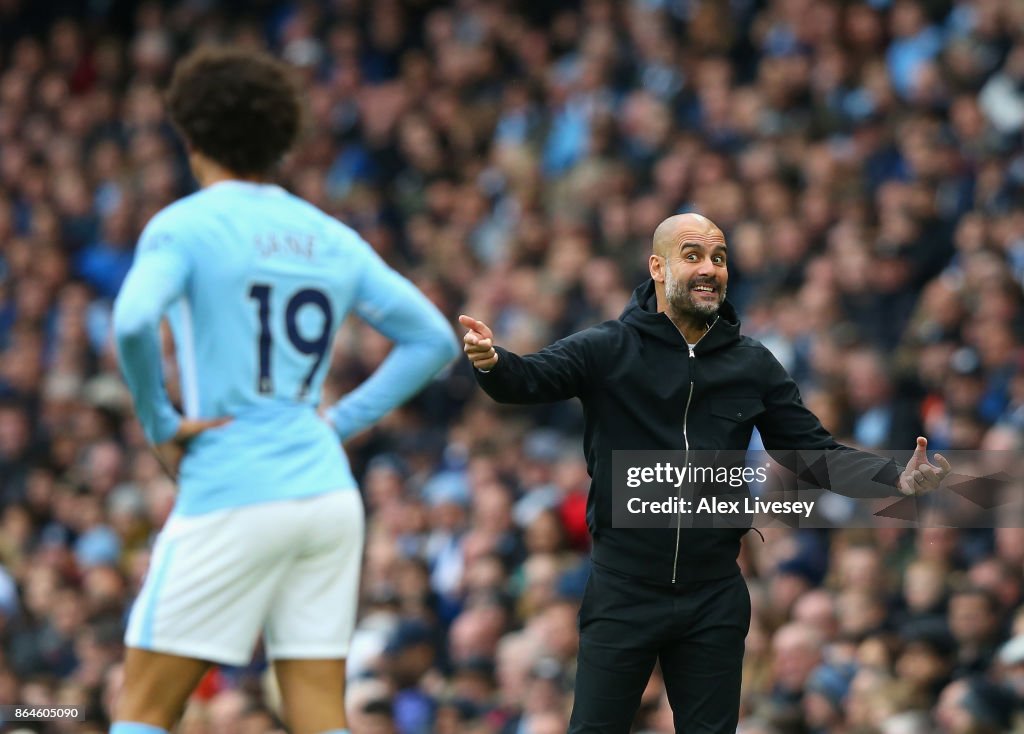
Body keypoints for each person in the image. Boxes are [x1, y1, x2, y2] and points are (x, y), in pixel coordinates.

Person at [460, 212, 950, 734]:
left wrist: (895, 478)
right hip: (625, 589)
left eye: (718, 257)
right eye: (692, 255)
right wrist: (491, 361)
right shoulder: (608, 348)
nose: (709, 268)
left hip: (713, 594)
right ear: (657, 266)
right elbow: (530, 379)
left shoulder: (752, 363)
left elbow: (813, 452)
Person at [110, 47, 458, 734]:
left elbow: (131, 321)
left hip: (233, 486)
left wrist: (158, 420)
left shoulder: (186, 224)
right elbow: (435, 341)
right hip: (326, 494)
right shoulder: (329, 235)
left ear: (188, 135)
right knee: (317, 713)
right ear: (283, 139)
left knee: (144, 711)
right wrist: (336, 423)